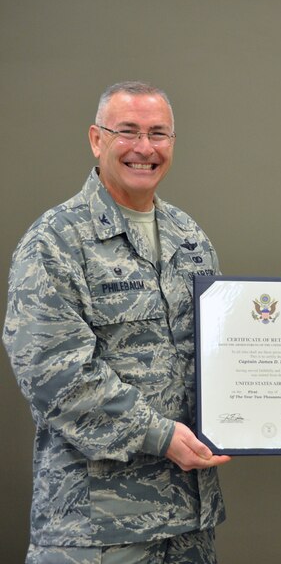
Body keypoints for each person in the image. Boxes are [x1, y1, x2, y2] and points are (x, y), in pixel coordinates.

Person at [2, 81, 233, 564]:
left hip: (188, 523)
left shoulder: (190, 238)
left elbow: (224, 352)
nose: (144, 148)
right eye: (127, 131)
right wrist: (159, 435)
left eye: (159, 134)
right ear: (96, 139)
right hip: (96, 529)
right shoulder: (56, 241)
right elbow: (54, 375)